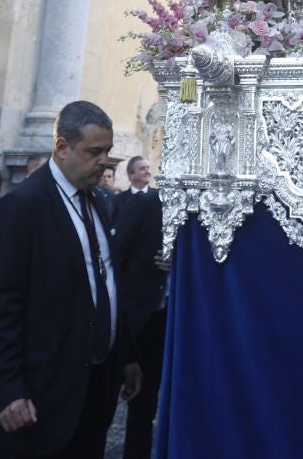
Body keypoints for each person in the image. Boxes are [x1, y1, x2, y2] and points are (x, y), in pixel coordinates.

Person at [0, 101, 139, 458]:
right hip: (37, 393)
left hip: (91, 389)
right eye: (94, 151)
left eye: (108, 152)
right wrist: (8, 387)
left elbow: (105, 281)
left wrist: (124, 355)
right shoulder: (22, 207)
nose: (104, 161)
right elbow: (3, 305)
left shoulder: (100, 201)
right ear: (62, 147)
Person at [111, 157, 167, 459]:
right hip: (138, 319)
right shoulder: (146, 205)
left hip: (166, 321)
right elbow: (116, 260)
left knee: (147, 408)